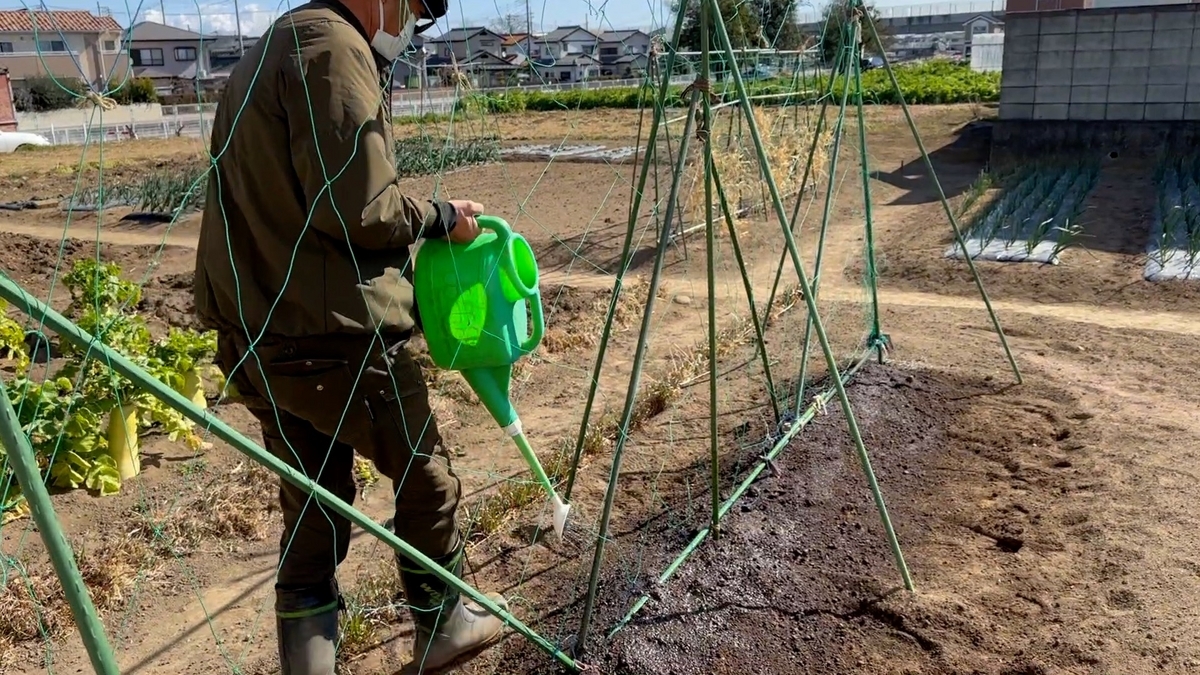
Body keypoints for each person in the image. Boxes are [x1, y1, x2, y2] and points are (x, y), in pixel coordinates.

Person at [191, 0, 508, 673]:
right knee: (426, 473)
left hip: (258, 332)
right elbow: (358, 204)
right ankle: (443, 620)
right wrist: (443, 215)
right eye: (414, 8)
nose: (410, 24)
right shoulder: (335, 49)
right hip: (334, 334)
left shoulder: (271, 45)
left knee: (314, 501)